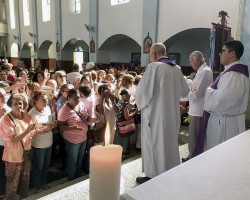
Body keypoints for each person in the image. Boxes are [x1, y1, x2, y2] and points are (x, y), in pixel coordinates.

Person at [135, 43, 189, 184]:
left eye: (149, 55)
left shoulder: (154, 67)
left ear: (153, 54)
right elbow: (185, 92)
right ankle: (169, 170)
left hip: (156, 115)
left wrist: (139, 103)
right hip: (172, 114)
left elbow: (143, 93)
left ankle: (152, 175)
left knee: (154, 143)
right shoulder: (176, 69)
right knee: (169, 143)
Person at [195, 40, 249, 153]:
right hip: (223, 120)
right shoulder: (230, 72)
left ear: (232, 53)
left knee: (219, 155)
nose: (219, 54)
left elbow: (222, 100)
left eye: (223, 50)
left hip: (224, 124)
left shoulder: (233, 75)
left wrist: (209, 90)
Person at [0, 94, 44, 199]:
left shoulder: (27, 116)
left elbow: (32, 132)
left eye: (20, 103)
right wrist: (27, 131)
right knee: (12, 182)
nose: (18, 105)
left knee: (25, 179)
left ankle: (24, 197)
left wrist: (39, 130)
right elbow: (14, 139)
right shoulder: (5, 119)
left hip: (26, 153)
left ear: (24, 104)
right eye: (15, 103)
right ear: (10, 105)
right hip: (12, 156)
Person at [181, 51, 213, 162]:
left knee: (195, 135)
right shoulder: (201, 71)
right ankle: (192, 155)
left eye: (191, 61)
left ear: (198, 60)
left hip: (199, 109)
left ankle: (193, 158)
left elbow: (198, 93)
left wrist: (182, 98)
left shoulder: (205, 72)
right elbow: (194, 89)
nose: (190, 64)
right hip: (195, 108)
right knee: (193, 134)